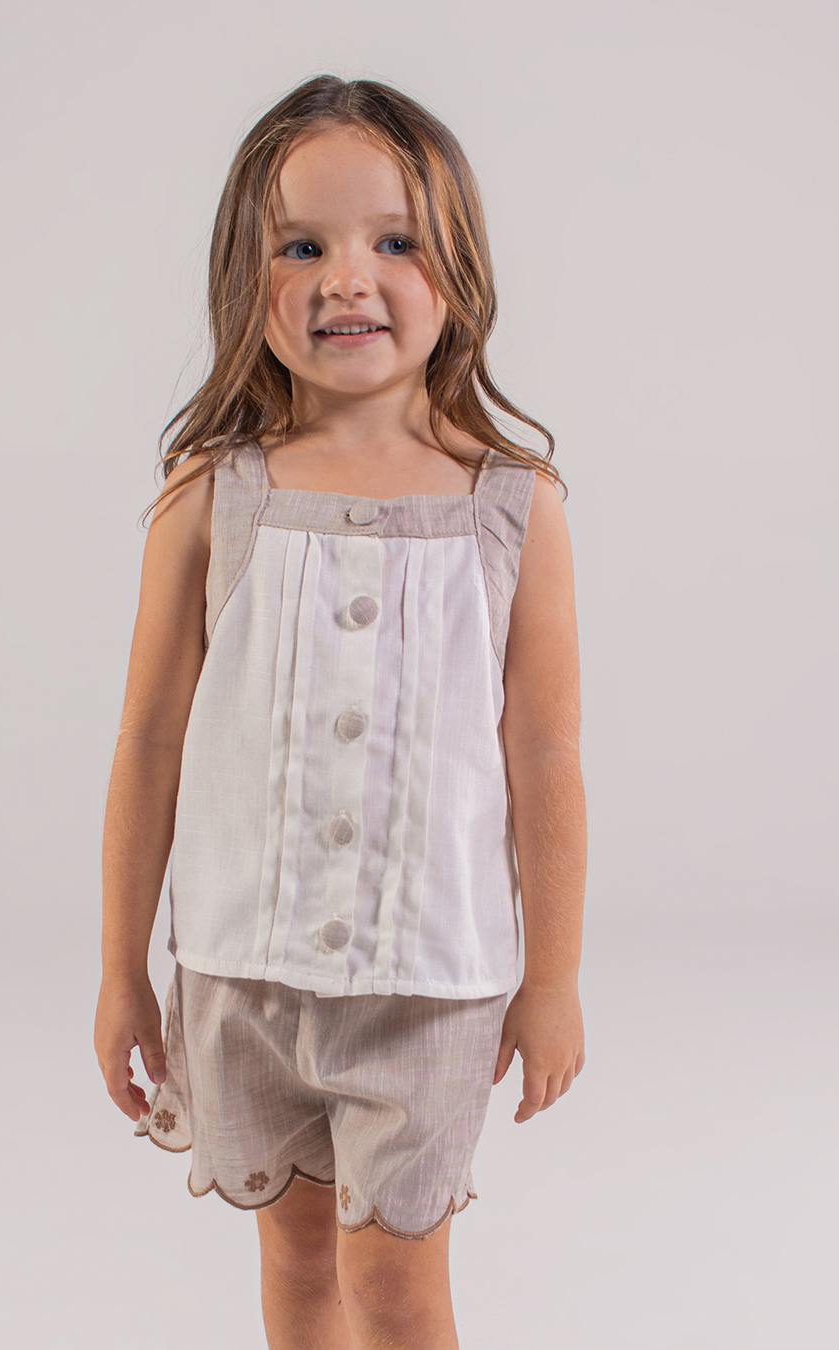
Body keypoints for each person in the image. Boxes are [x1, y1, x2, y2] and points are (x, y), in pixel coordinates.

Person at [94, 74, 586, 1350]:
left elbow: (545, 754)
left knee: (398, 1287)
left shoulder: (512, 508)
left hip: (429, 982)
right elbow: (149, 743)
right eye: (301, 246)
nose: (346, 279)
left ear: (459, 274)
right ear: (242, 276)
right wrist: (121, 969)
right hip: (242, 974)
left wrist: (554, 979)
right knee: (299, 1264)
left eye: (396, 241)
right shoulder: (208, 498)